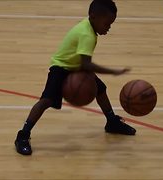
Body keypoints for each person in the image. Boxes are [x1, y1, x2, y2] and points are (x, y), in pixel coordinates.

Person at [15, 0, 136, 155]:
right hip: (61, 67)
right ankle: (23, 136)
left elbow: (83, 63)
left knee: (100, 89)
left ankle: (111, 122)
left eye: (111, 24)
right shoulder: (87, 34)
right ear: (93, 17)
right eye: (107, 24)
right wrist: (112, 71)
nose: (109, 28)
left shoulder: (88, 25)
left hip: (75, 66)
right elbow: (87, 65)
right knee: (46, 101)